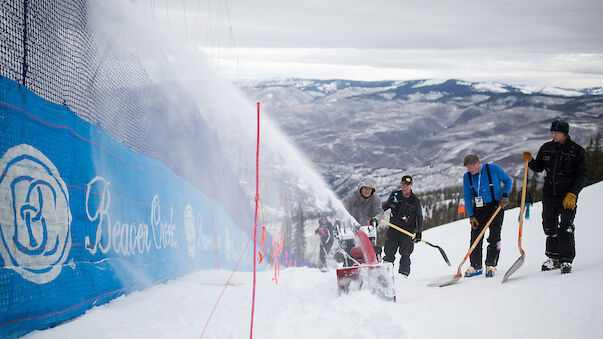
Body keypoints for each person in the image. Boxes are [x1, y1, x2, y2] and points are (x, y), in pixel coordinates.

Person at [523, 119, 587, 274]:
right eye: (552, 132)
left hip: (567, 195)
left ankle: (566, 260)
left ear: (565, 133)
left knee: (566, 226)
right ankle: (553, 258)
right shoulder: (547, 148)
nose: (553, 134)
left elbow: (582, 175)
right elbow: (539, 167)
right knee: (549, 225)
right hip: (549, 194)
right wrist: (530, 161)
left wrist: (573, 194)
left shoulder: (576, 151)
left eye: (556, 132)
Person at [462, 154, 512, 278]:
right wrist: (471, 215)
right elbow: (467, 196)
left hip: (496, 206)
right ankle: (475, 265)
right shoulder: (467, 177)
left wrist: (505, 195)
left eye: (470, 168)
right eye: (467, 168)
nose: (469, 171)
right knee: (475, 237)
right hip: (478, 210)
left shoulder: (493, 169)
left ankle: (491, 263)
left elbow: (508, 180)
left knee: (494, 235)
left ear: (477, 164)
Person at [381, 175, 423, 276]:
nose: (405, 187)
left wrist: (419, 232)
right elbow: (385, 206)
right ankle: (385, 274)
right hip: (393, 229)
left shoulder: (415, 201)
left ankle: (403, 275)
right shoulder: (395, 195)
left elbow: (419, 217)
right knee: (389, 253)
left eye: (407, 185)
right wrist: (376, 214)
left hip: (406, 232)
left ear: (411, 186)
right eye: (403, 184)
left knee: (405, 254)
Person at [342, 175, 384, 259]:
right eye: (365, 188)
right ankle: (350, 264)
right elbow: (342, 210)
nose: (367, 190)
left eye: (370, 188)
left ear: (372, 190)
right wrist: (339, 221)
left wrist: (376, 219)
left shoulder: (375, 199)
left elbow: (379, 212)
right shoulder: (351, 197)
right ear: (361, 187)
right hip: (351, 230)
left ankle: (372, 265)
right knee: (350, 252)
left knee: (370, 251)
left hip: (368, 230)